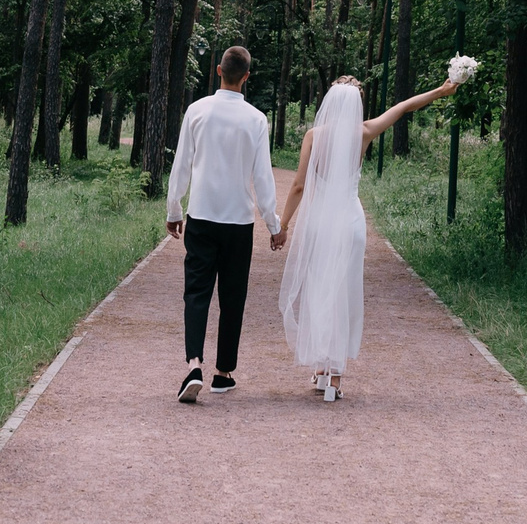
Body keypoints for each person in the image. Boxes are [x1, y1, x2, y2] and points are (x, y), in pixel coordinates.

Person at [276, 72, 459, 402]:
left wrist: (283, 225)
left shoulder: (314, 136)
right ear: (357, 104)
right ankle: (334, 377)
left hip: (320, 222)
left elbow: (299, 186)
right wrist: (442, 90)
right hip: (350, 221)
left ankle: (320, 368)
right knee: (344, 292)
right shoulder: (364, 132)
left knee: (321, 289)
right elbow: (403, 107)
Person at [165, 45, 280, 404]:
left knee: (196, 292)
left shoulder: (197, 111)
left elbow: (182, 163)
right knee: (233, 298)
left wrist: (174, 209)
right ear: (247, 76)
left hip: (201, 216)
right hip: (238, 222)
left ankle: (194, 364)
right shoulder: (257, 120)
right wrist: (274, 225)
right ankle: (223, 373)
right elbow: (263, 178)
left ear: (218, 71)